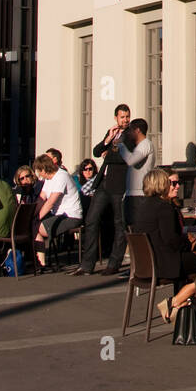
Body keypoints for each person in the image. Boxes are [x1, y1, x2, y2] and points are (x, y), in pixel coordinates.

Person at [139, 168, 196, 326]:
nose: (173, 186)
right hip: (166, 263)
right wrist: (190, 244)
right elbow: (171, 240)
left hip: (146, 265)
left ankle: (179, 305)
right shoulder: (164, 207)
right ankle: (174, 302)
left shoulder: (143, 206)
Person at [76, 104, 132, 276]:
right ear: (116, 117)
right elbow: (96, 151)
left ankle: (114, 263)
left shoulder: (131, 135)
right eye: (122, 117)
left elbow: (125, 157)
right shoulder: (113, 133)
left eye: (127, 116)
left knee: (119, 223)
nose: (125, 120)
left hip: (119, 183)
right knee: (91, 219)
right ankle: (87, 265)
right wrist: (108, 139)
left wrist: (109, 154)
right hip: (103, 182)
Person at [33, 152, 83, 271]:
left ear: (44, 169)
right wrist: (32, 213)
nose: (39, 175)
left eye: (39, 171)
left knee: (37, 228)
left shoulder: (61, 176)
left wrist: (38, 217)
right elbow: (42, 198)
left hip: (70, 216)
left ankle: (42, 263)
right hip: (59, 215)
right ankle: (39, 261)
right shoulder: (49, 179)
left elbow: (50, 201)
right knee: (33, 225)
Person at [118, 119, 155, 230]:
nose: (128, 133)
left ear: (137, 130)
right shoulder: (138, 146)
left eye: (130, 130)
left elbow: (131, 161)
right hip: (131, 194)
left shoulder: (146, 144)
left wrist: (120, 144)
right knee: (130, 229)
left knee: (138, 229)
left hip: (140, 195)